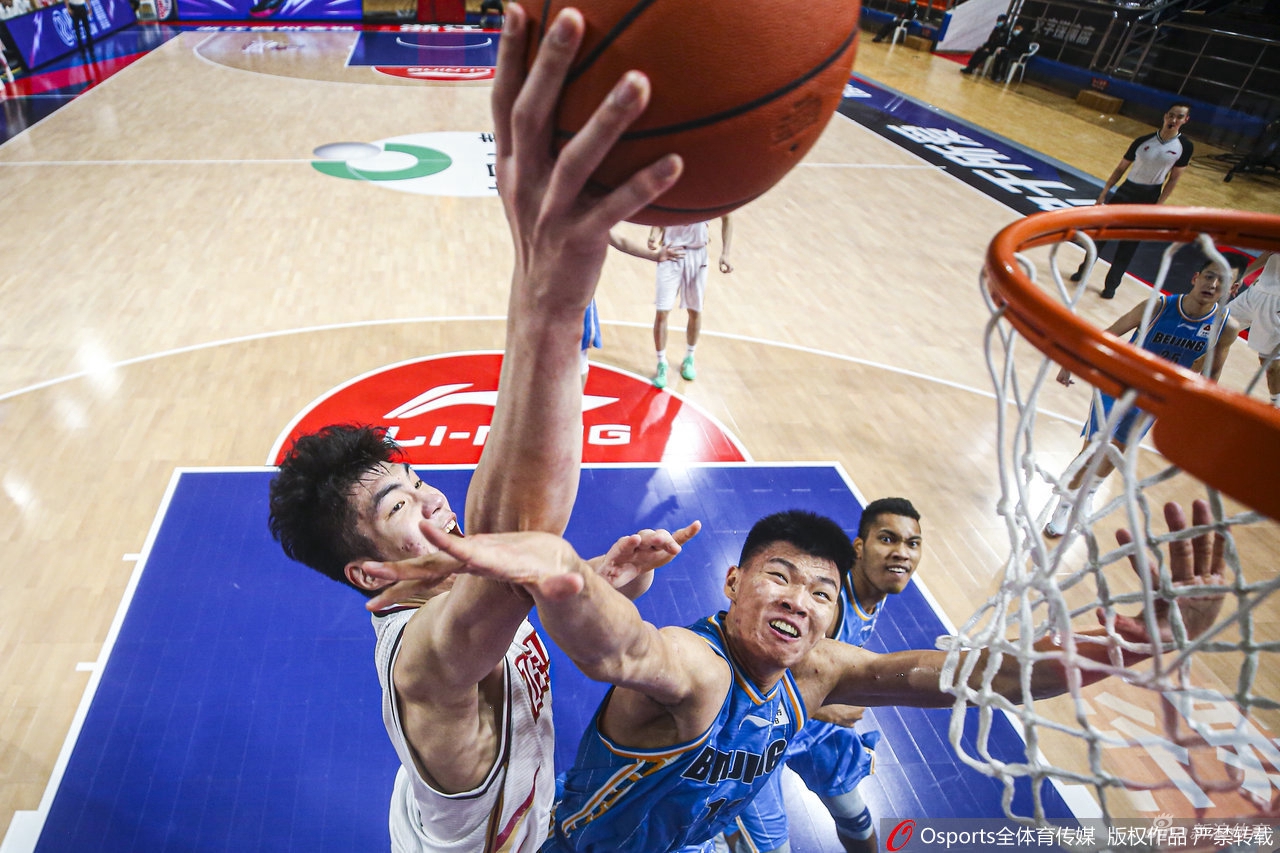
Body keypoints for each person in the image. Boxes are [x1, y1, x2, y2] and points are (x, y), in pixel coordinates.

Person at [268, 8, 694, 852]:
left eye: (415, 475)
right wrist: (554, 297)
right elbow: (519, 545)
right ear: (368, 572)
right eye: (400, 505)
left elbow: (511, 562)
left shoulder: (456, 591)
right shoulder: (428, 660)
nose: (430, 492)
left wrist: (601, 573)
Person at [392, 502, 1225, 853]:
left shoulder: (819, 672)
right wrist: (566, 576)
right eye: (779, 576)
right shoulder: (700, 665)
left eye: (822, 590)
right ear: (733, 585)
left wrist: (1120, 647)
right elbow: (624, 649)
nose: (800, 600)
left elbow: (970, 676)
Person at [726, 498, 923, 853]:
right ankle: (724, 828)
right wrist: (824, 708)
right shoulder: (825, 608)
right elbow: (751, 678)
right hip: (761, 730)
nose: (901, 554)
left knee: (856, 819)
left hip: (811, 731)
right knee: (769, 848)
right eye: (888, 539)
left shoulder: (879, 590)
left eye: (912, 543)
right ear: (860, 548)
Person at [1044, 258, 1240, 537]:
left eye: (1223, 281)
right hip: (1118, 382)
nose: (1214, 284)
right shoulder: (1158, 306)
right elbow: (1110, 334)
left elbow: (1213, 371)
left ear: (1232, 291)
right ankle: (1064, 506)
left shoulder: (1225, 327)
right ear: (1195, 277)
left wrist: (1199, 413)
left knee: (1116, 452)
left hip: (1156, 396)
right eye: (1209, 276)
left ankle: (1089, 493)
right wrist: (1072, 361)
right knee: (1094, 448)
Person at [1070, 103, 1194, 298]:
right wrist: (1104, 192)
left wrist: (1158, 204)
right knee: (1101, 235)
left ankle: (1111, 286)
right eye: (1171, 115)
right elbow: (1121, 168)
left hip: (1149, 195)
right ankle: (1083, 270)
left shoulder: (1184, 147)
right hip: (1125, 191)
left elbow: (1174, 179)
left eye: (1179, 117)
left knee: (1129, 245)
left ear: (1185, 120)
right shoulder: (1143, 141)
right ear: (1165, 116)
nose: (1173, 120)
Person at [579, 232, 687, 383]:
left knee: (579, 358)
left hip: (578, 306)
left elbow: (621, 242)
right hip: (551, 302)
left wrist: (654, 256)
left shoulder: (590, 221)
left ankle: (576, 404)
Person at [648, 216, 733, 388]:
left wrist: (725, 253)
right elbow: (660, 216)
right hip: (670, 253)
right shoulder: (669, 190)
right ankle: (661, 362)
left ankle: (689, 357)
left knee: (695, 310)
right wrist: (653, 235)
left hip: (698, 254)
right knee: (662, 311)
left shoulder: (711, 194)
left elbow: (728, 218)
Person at [1228, 252, 1280, 407]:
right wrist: (1242, 275)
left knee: (1270, 362)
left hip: (1276, 302)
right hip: (1255, 291)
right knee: (1211, 331)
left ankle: (1276, 407)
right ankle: (1195, 384)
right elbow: (1271, 249)